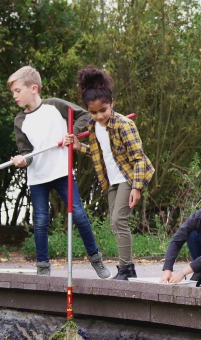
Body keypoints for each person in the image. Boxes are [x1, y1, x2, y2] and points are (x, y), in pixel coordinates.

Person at [7, 66, 110, 278]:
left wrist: (71, 134)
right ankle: (43, 267)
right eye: (13, 92)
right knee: (41, 220)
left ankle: (96, 259)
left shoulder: (54, 105)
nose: (14, 95)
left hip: (62, 171)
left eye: (17, 90)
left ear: (33, 88)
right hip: (37, 177)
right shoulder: (20, 120)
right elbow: (27, 153)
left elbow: (84, 116)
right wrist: (22, 161)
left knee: (79, 215)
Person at [65, 66, 155, 280]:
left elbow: (138, 158)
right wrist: (79, 146)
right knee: (114, 222)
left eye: (103, 110)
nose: (99, 116)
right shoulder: (94, 127)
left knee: (118, 220)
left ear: (111, 103)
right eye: (94, 112)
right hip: (111, 180)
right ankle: (128, 267)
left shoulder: (124, 125)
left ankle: (125, 268)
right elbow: (100, 153)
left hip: (129, 177)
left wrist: (137, 187)